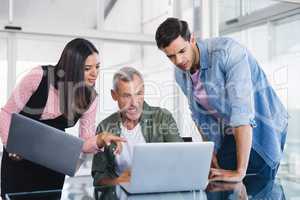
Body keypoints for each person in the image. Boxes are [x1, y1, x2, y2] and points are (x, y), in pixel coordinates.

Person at [155, 18, 288, 182]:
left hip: (262, 125)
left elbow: (242, 111)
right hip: (230, 130)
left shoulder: (228, 52)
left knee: (257, 184)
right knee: (220, 180)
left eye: (182, 51)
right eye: (171, 57)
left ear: (192, 39)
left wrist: (240, 172)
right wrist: (210, 151)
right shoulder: (180, 73)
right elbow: (199, 114)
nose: (179, 61)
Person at [0, 38, 125, 198]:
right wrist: (10, 145)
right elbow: (6, 113)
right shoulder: (39, 76)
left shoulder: (90, 98)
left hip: (52, 165)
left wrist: (101, 139)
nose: (95, 73)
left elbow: (85, 141)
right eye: (87, 68)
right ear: (71, 68)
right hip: (19, 159)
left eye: (97, 67)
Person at [92, 67, 183, 185]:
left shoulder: (162, 118)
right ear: (114, 95)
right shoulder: (104, 127)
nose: (134, 103)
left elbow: (181, 160)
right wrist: (117, 182)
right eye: (126, 96)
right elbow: (99, 177)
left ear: (144, 91)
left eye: (138, 94)